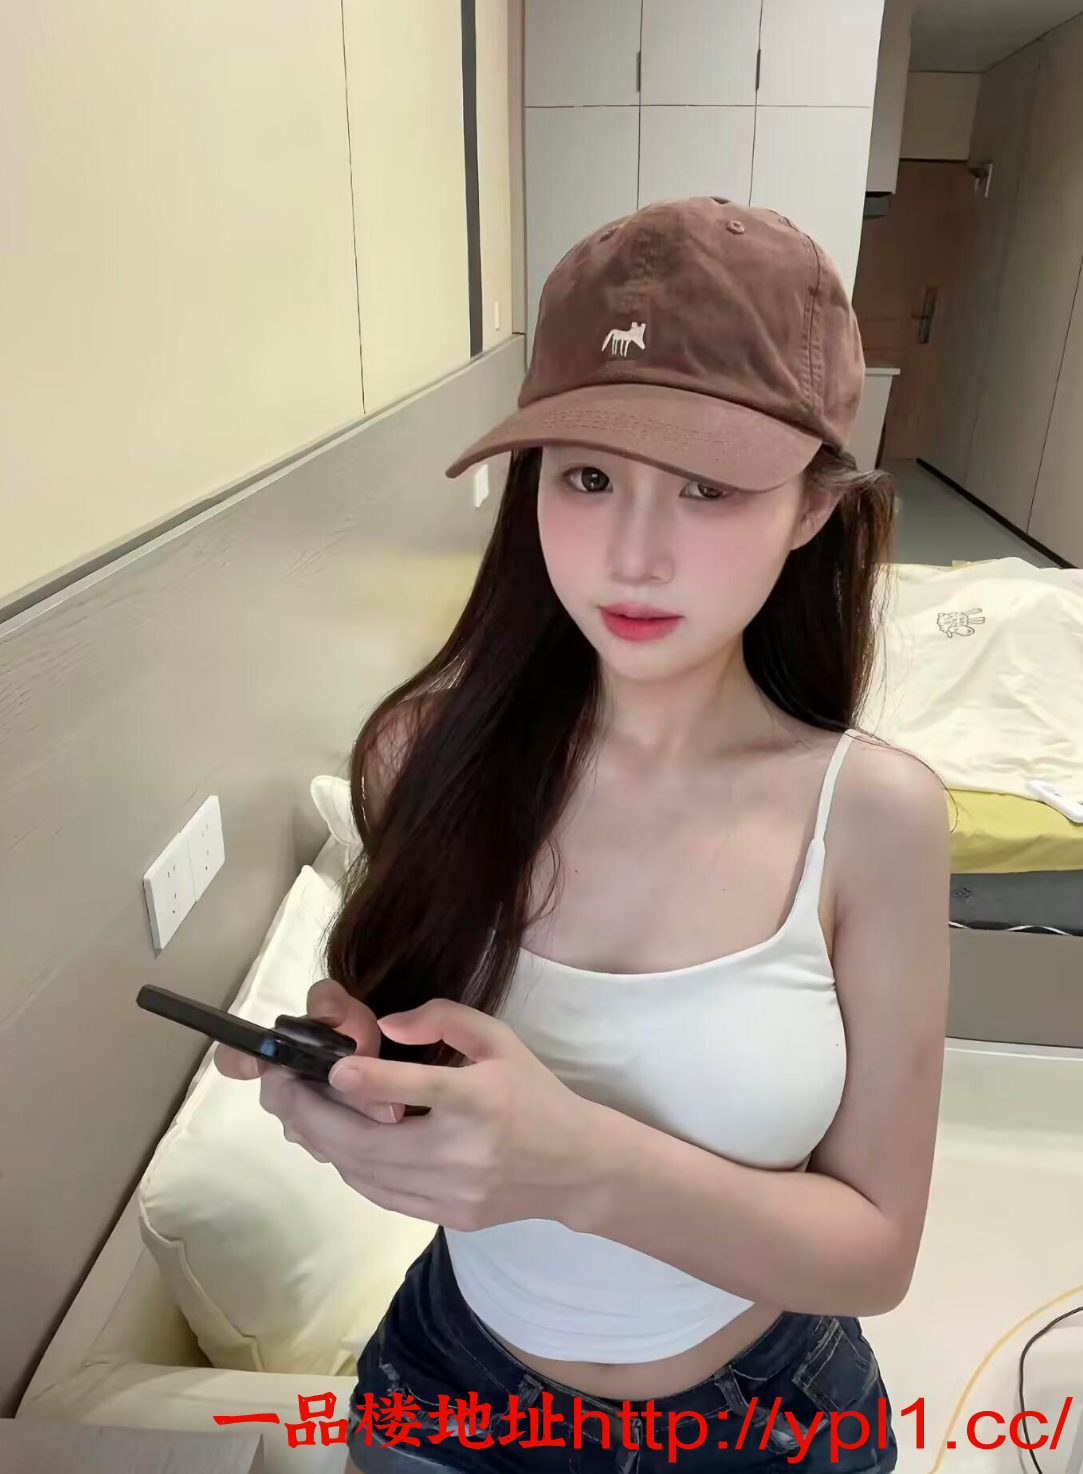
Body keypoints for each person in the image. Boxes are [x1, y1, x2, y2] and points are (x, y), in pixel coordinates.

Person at [216, 197, 950, 1472]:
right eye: (589, 477)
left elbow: (876, 1254)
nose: (631, 555)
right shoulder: (423, 756)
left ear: (814, 505)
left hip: (761, 1416)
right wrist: (356, 1090)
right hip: (447, 1386)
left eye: (709, 487)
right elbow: (428, 1071)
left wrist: (578, 1166)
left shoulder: (873, 816)